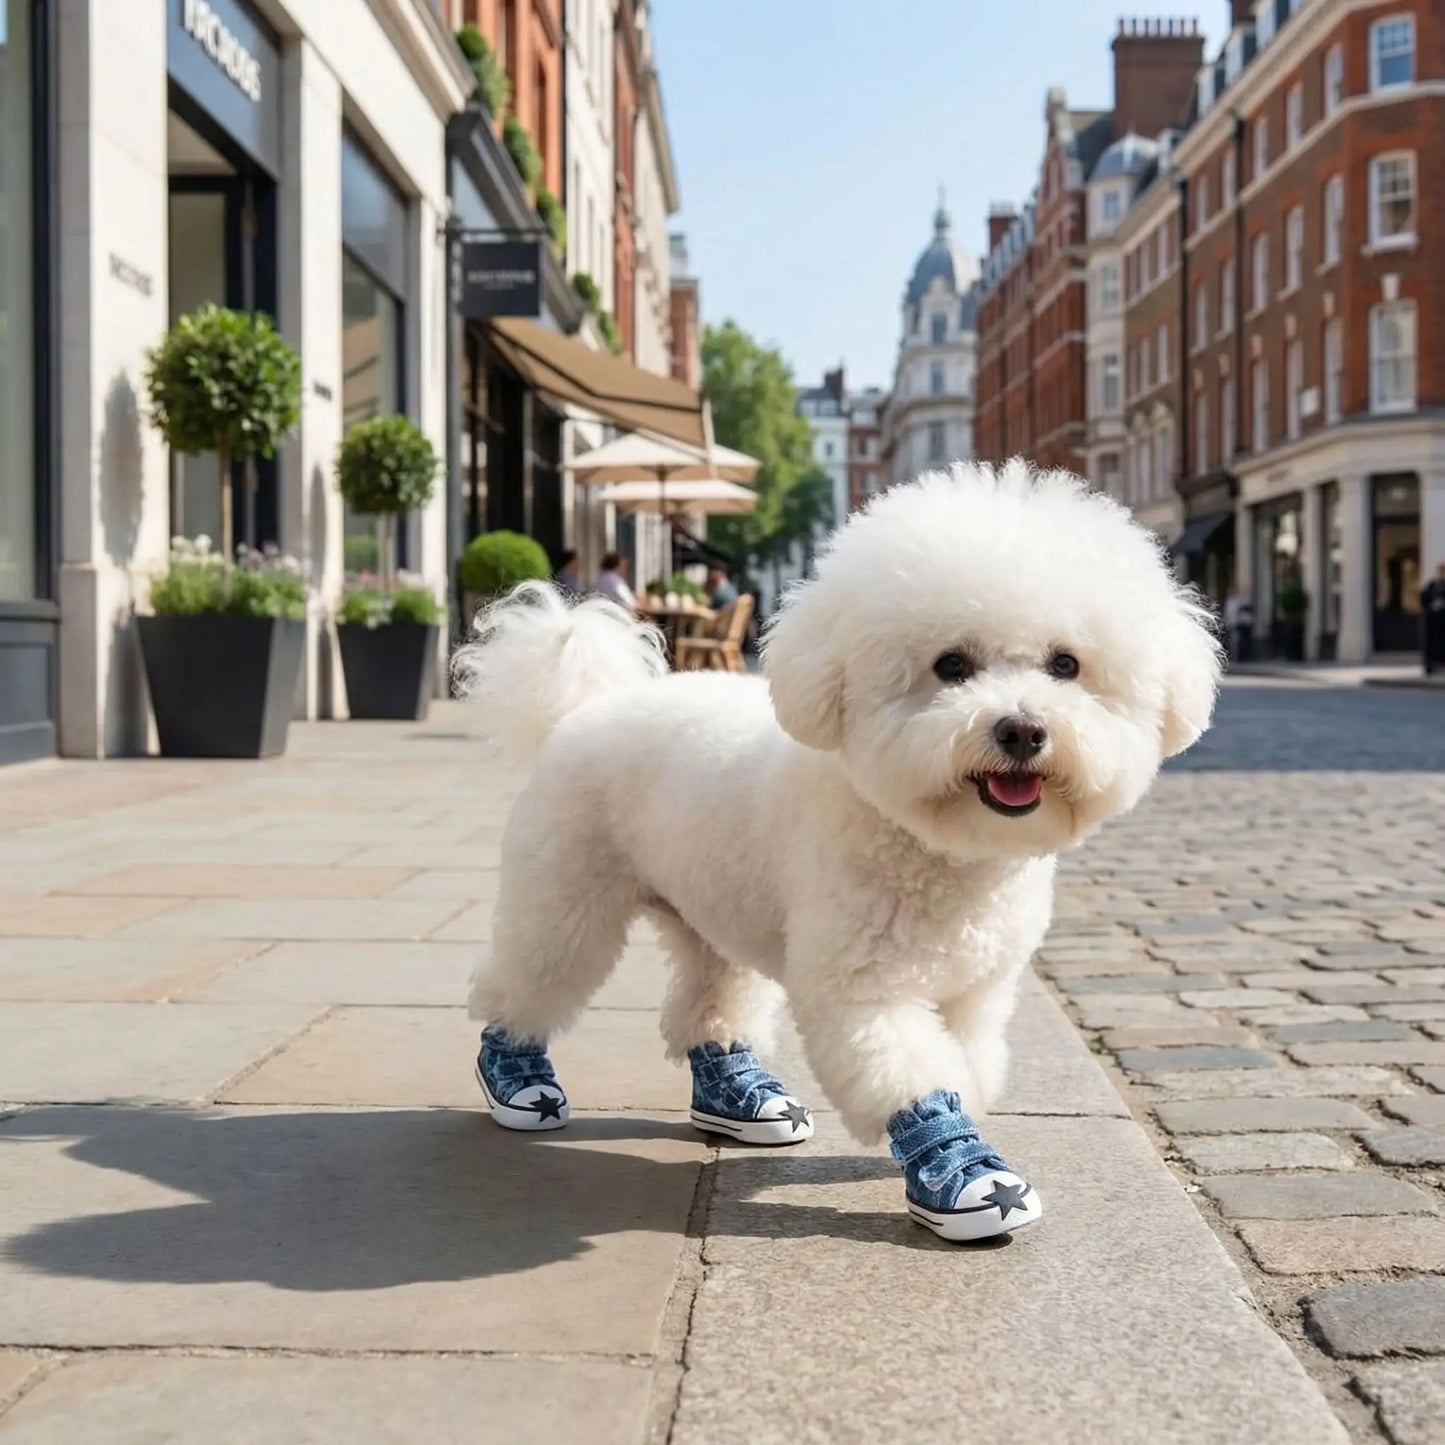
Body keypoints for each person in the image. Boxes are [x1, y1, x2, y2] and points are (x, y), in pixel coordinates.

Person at [1422, 561, 1445, 675]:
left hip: (1443, 620)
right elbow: (1425, 598)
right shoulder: (1432, 584)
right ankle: (1431, 666)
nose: (1441, 574)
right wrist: (1432, 605)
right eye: (1440, 571)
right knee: (1431, 643)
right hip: (1432, 619)